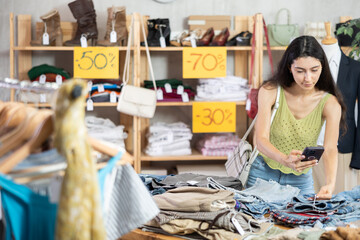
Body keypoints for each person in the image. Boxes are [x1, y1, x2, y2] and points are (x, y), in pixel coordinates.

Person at [246, 35, 347, 199]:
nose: (308, 78)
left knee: (306, 223)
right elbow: (260, 139)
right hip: (262, 173)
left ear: (322, 67)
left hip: (301, 180)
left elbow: (329, 149)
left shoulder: (330, 103)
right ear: (289, 67)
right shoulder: (271, 91)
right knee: (255, 222)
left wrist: (330, 183)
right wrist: (284, 159)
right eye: (300, 71)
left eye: (314, 70)